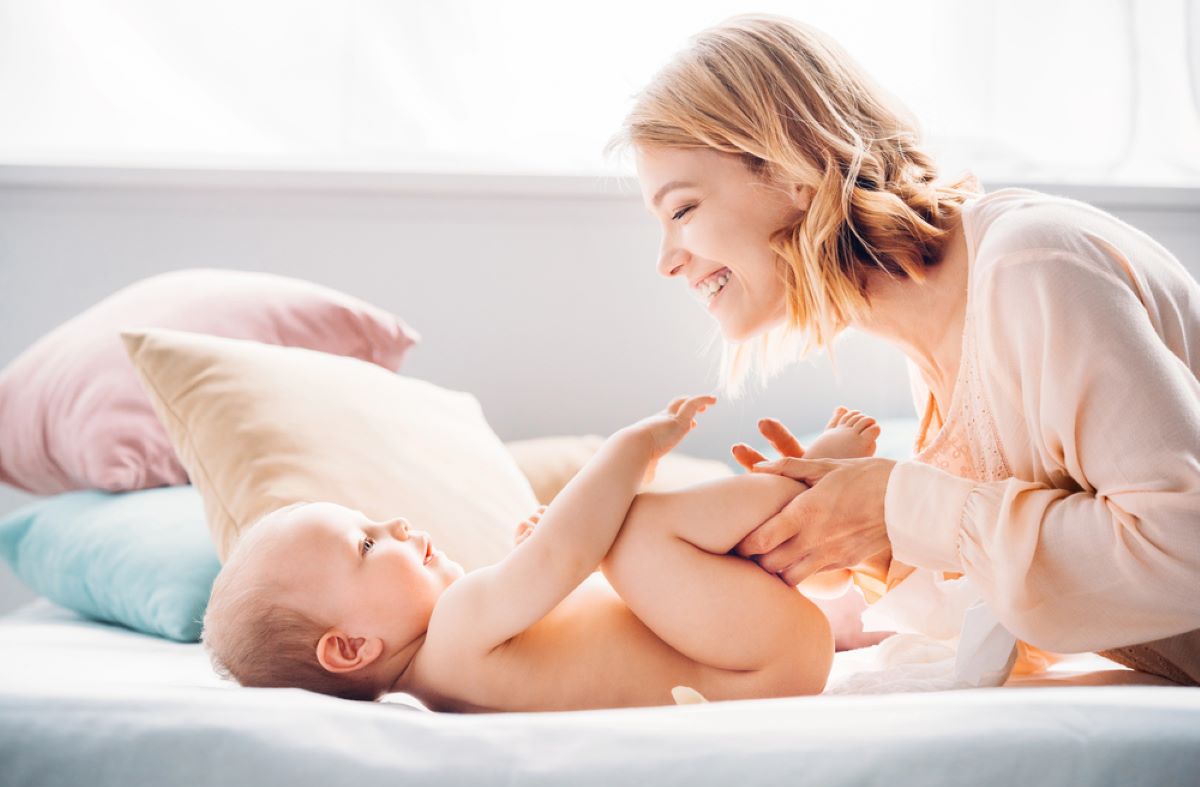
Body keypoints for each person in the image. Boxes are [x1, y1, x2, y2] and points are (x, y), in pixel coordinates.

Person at [608, 13, 1200, 683]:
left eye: (682, 209)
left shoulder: (1032, 266)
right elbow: (1056, 599)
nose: (666, 261)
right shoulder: (935, 349)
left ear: (792, 171)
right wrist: (872, 538)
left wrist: (896, 504)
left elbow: (1184, 551)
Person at [201, 397, 885, 710]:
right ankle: (808, 484)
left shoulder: (450, 687)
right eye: (367, 543)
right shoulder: (461, 623)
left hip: (753, 660)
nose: (396, 524)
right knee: (634, 531)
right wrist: (627, 452)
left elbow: (587, 617)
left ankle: (803, 534)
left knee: (637, 551)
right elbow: (569, 552)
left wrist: (553, 556)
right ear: (350, 648)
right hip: (749, 660)